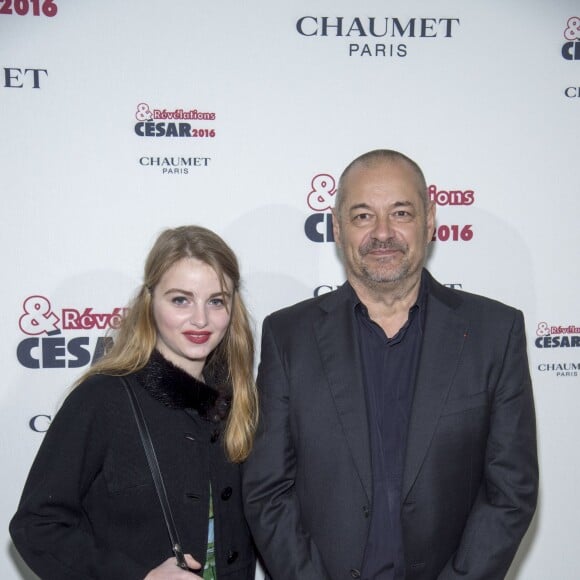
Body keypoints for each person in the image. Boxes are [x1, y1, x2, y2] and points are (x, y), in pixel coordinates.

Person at [242, 150, 538, 580]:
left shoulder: (495, 333)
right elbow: (267, 490)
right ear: (338, 229)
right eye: (363, 216)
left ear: (430, 220)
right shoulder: (289, 336)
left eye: (400, 213)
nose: (383, 233)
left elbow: (511, 491)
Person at [10, 225, 258, 580]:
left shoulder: (239, 401)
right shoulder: (102, 398)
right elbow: (36, 525)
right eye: (180, 300)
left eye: (216, 300)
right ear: (150, 301)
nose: (201, 319)